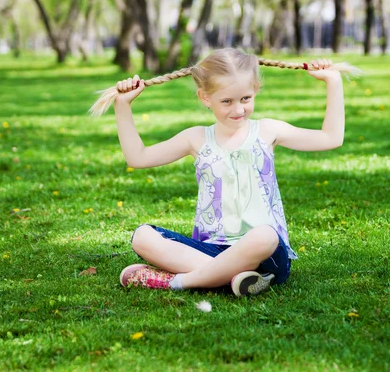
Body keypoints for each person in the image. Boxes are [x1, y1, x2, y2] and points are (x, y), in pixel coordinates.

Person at [90, 48, 358, 296]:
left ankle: (179, 281)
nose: (238, 109)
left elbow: (330, 138)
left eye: (246, 98)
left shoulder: (267, 131)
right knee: (142, 237)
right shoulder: (196, 138)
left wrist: (333, 82)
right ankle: (235, 277)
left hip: (266, 256)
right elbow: (138, 157)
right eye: (227, 101)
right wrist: (122, 105)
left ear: (255, 90)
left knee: (265, 235)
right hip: (211, 248)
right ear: (205, 98)